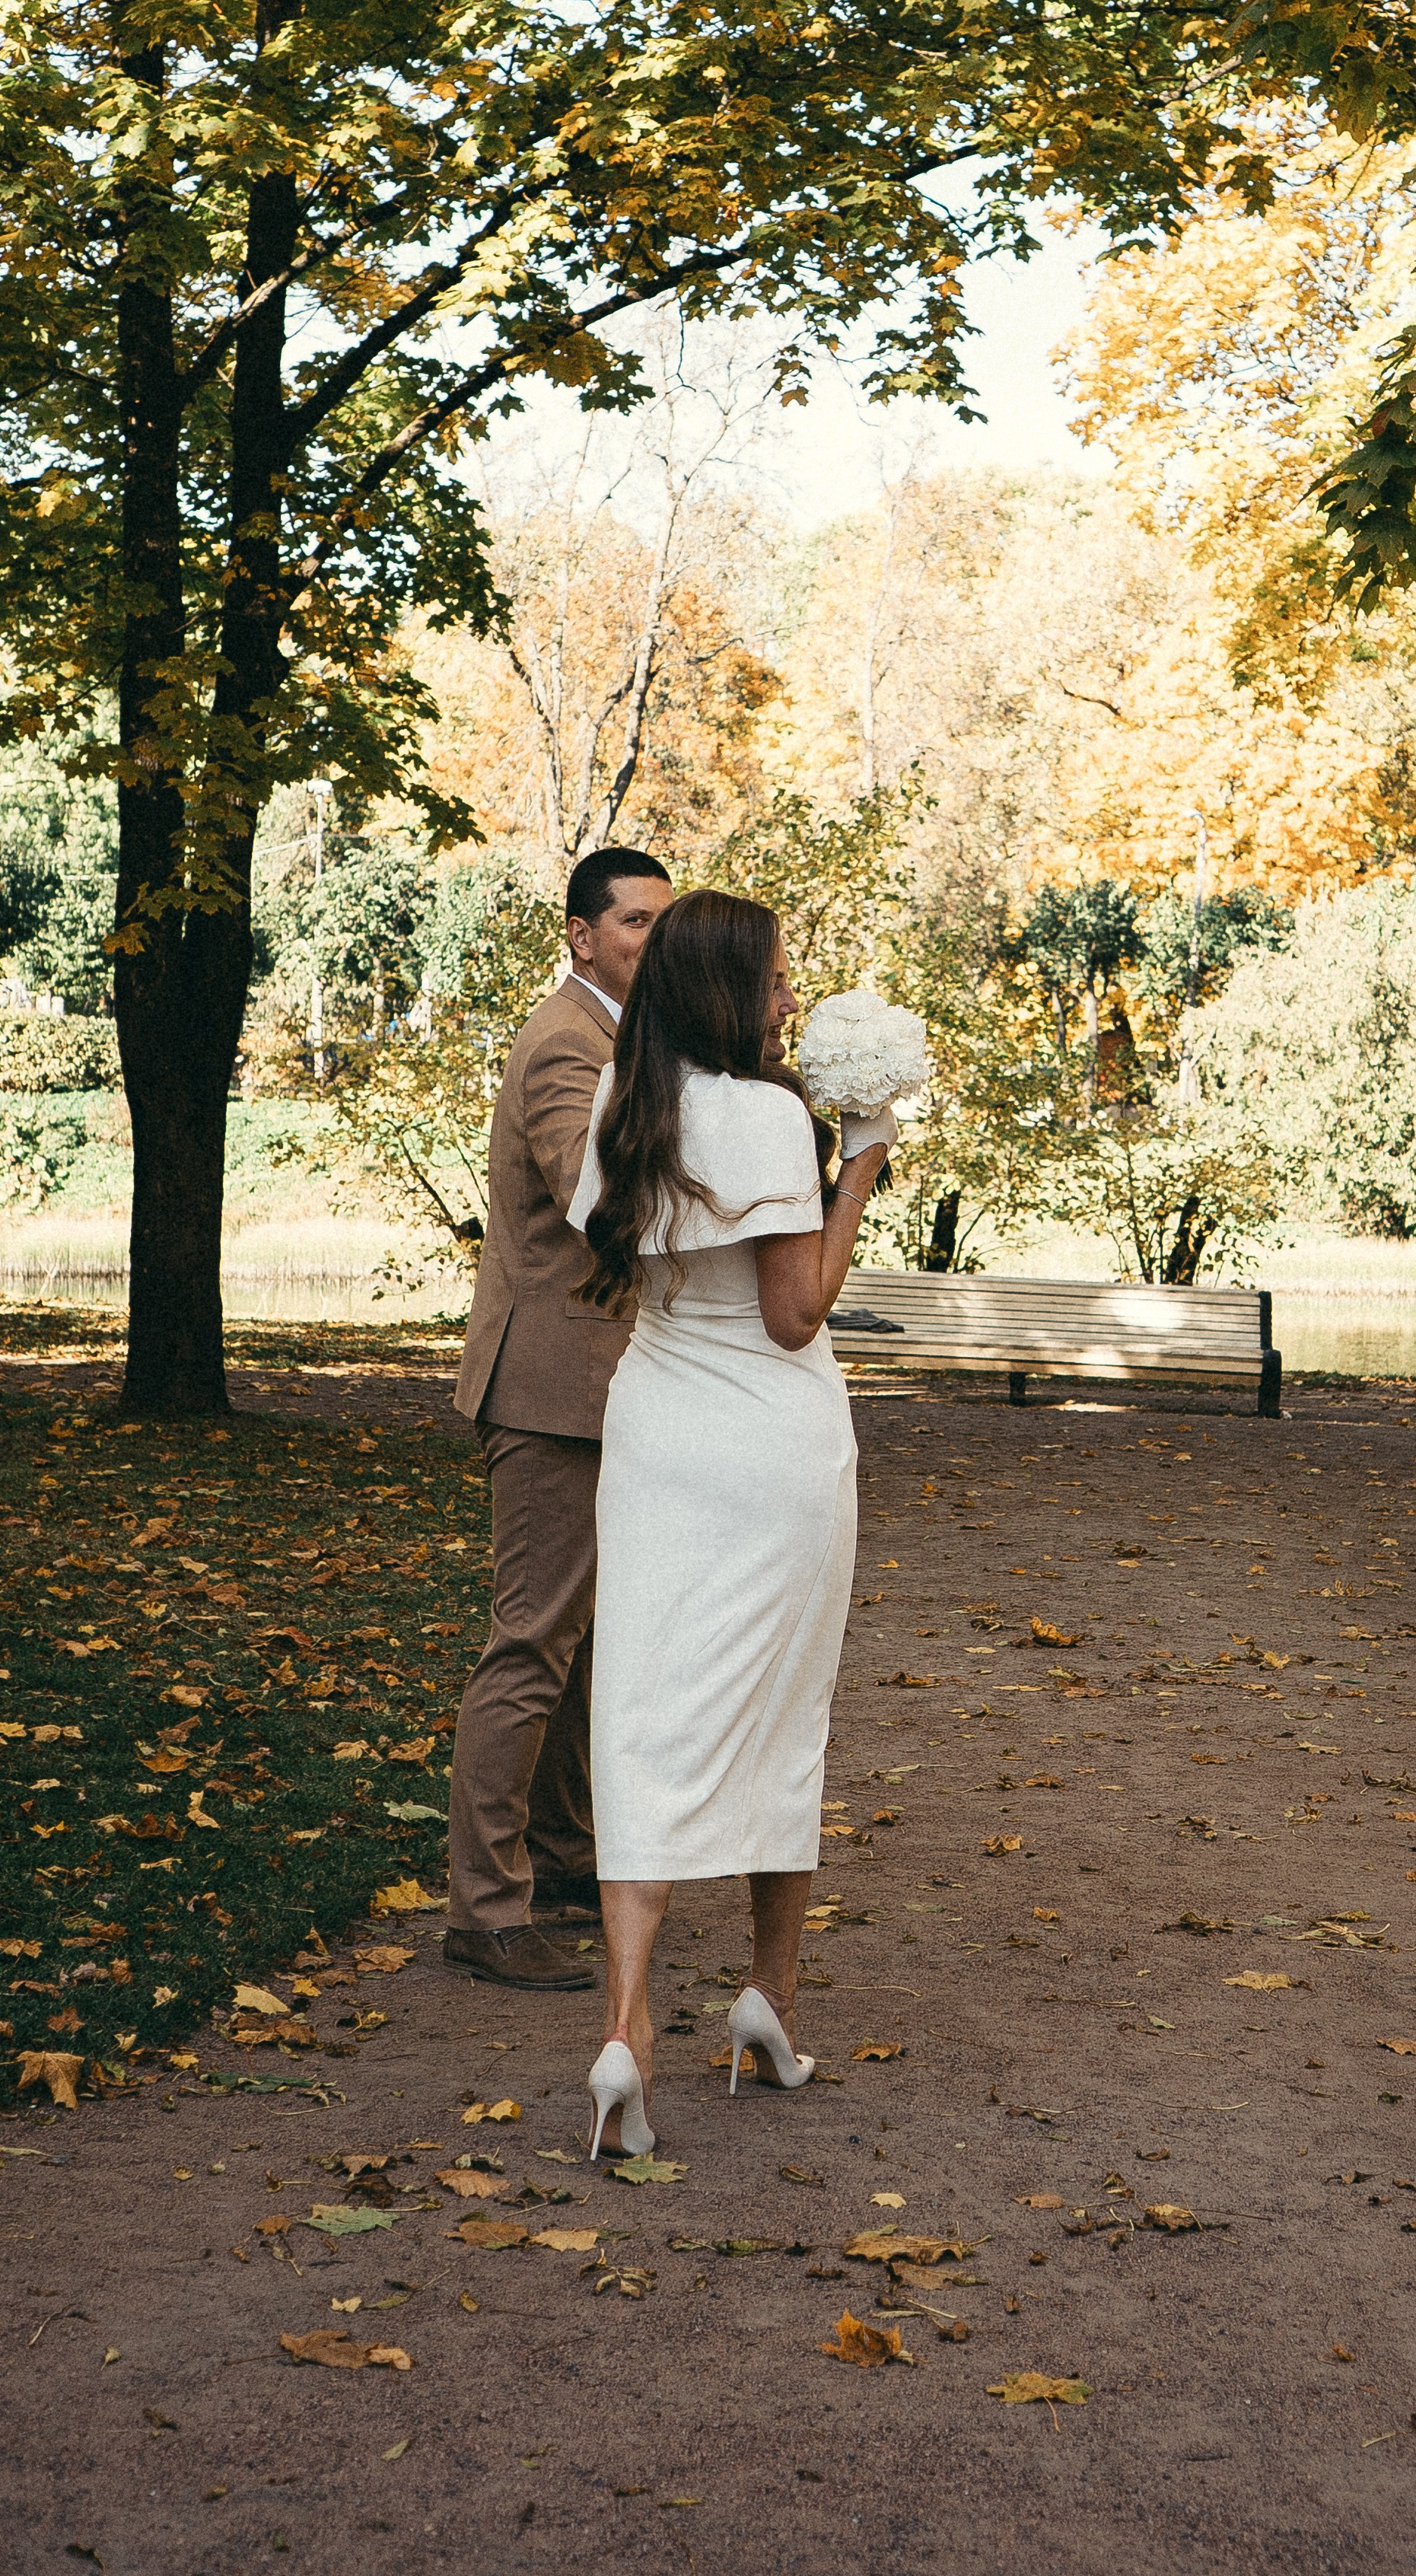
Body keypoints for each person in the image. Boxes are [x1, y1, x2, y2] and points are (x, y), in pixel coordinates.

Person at [563, 890, 897, 2157]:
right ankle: (771, 1998)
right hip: (769, 1441)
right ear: (725, 993)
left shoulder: (624, 1101)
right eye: (770, 985)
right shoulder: (765, 1119)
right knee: (780, 1710)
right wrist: (856, 1171)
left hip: (656, 1428)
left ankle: (626, 2028)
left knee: (644, 1713)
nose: (786, 1004)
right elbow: (796, 1311)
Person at [444, 845, 674, 1992]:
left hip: (600, 1385)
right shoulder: (565, 1045)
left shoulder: (622, 1039)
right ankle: (485, 1911)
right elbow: (600, 1194)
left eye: (660, 925)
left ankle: (565, 1861)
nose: (649, 941)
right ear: (582, 935)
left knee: (584, 1651)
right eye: (632, 923)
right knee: (530, 1645)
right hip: (548, 1388)